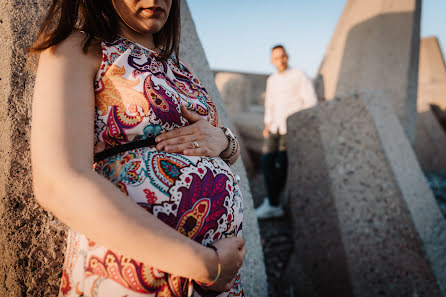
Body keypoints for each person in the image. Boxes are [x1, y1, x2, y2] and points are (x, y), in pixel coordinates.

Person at [30, 0, 245, 296]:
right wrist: (205, 265)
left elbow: (219, 150)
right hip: (133, 272)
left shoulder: (184, 69)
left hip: (218, 279)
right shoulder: (78, 49)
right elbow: (58, 181)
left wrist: (224, 142)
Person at [255, 44, 317, 219]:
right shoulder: (272, 79)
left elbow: (310, 102)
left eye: (282, 56)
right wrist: (267, 124)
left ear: (287, 56)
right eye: (276, 58)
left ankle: (274, 204)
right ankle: (273, 201)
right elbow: (270, 103)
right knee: (266, 162)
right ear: (271, 60)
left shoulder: (299, 75)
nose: (280, 60)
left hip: (291, 128)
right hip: (274, 127)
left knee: (282, 165)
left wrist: (303, 126)